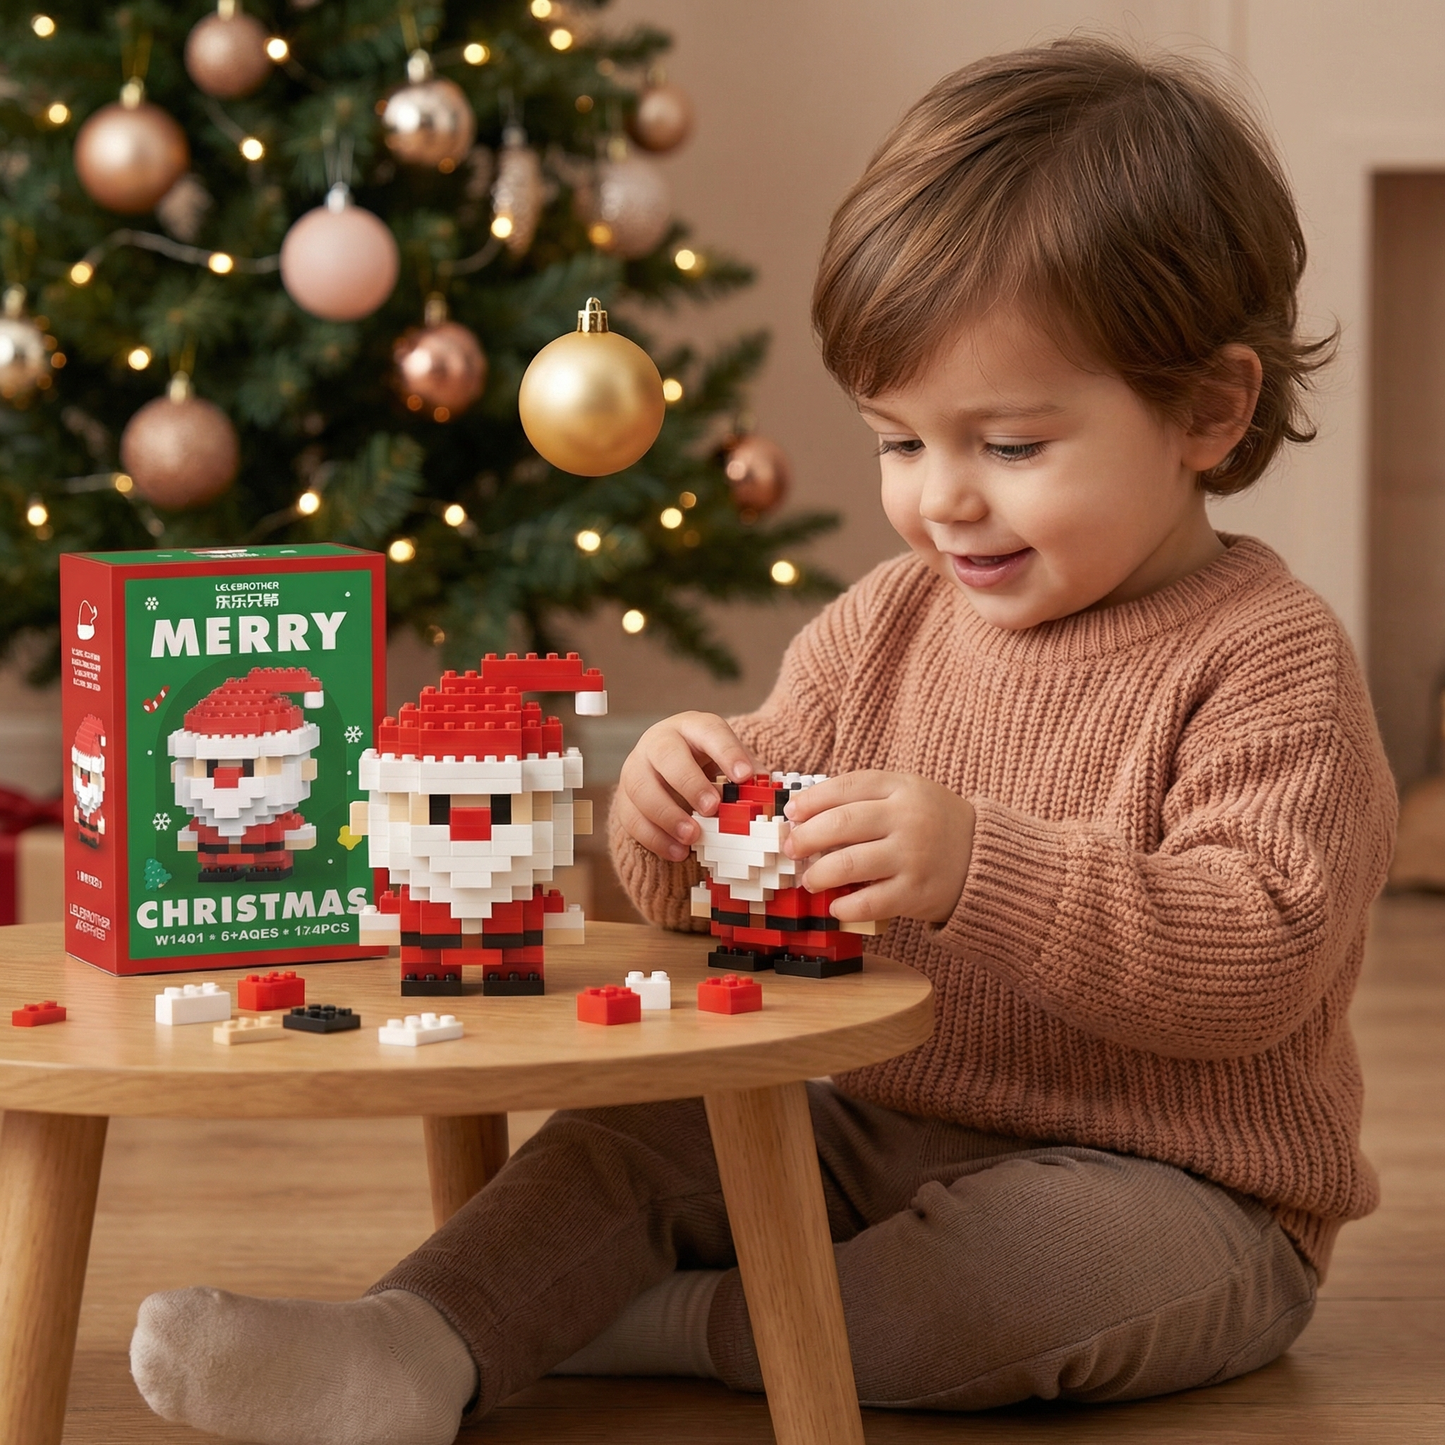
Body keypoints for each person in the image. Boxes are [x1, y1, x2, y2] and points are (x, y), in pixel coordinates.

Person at [128, 37, 1397, 1445]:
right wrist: (665, 820)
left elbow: (1255, 961)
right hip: (869, 1122)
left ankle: (655, 1328)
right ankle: (404, 1337)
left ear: (1207, 412)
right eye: (900, 443)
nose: (942, 503)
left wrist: (986, 864)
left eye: (1013, 446)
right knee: (624, 1143)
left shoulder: (1267, 657)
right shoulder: (884, 624)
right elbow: (712, 915)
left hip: (1170, 1183)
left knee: (1003, 1286)